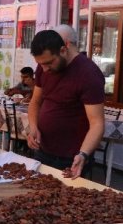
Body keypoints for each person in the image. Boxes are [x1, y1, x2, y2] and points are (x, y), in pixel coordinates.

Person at [27, 29, 105, 179]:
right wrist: (33, 127)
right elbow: (35, 102)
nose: (44, 69)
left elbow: (97, 124)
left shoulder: (88, 74)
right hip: (44, 150)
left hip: (72, 156)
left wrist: (83, 154)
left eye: (49, 63)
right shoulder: (44, 65)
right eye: (40, 64)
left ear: (63, 50)